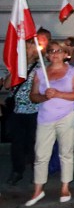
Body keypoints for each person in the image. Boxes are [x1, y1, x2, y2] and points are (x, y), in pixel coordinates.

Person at [25, 41, 74, 206]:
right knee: (41, 155)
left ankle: (65, 187)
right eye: (51, 51)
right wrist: (44, 97)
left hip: (67, 116)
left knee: (66, 153)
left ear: (66, 54)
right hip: (45, 117)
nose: (55, 54)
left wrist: (58, 94)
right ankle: (38, 189)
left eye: (59, 51)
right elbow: (33, 96)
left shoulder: (72, 72)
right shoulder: (40, 73)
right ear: (47, 55)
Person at [5, 41, 40, 186]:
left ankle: (36, 173)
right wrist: (15, 70)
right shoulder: (17, 67)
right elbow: (7, 85)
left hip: (35, 111)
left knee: (34, 144)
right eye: (26, 47)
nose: (27, 49)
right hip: (18, 111)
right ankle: (17, 171)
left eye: (29, 47)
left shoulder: (40, 68)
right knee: (17, 143)